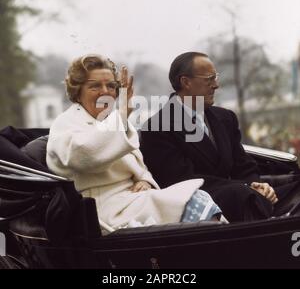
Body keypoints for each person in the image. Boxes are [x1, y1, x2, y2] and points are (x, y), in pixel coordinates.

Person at [46, 54, 224, 231]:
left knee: (199, 198)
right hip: (101, 210)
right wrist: (122, 114)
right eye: (94, 86)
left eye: (110, 86)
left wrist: (145, 180)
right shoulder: (66, 123)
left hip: (133, 200)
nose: (105, 92)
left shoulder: (112, 122)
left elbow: (139, 165)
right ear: (77, 91)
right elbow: (85, 155)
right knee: (195, 201)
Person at [140, 52, 300, 222]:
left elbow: (244, 166)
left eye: (215, 77)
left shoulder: (225, 118)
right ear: (185, 82)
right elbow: (182, 180)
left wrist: (256, 184)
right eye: (209, 79)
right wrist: (247, 188)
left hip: (240, 194)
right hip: (200, 201)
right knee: (241, 195)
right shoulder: (157, 127)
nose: (216, 85)